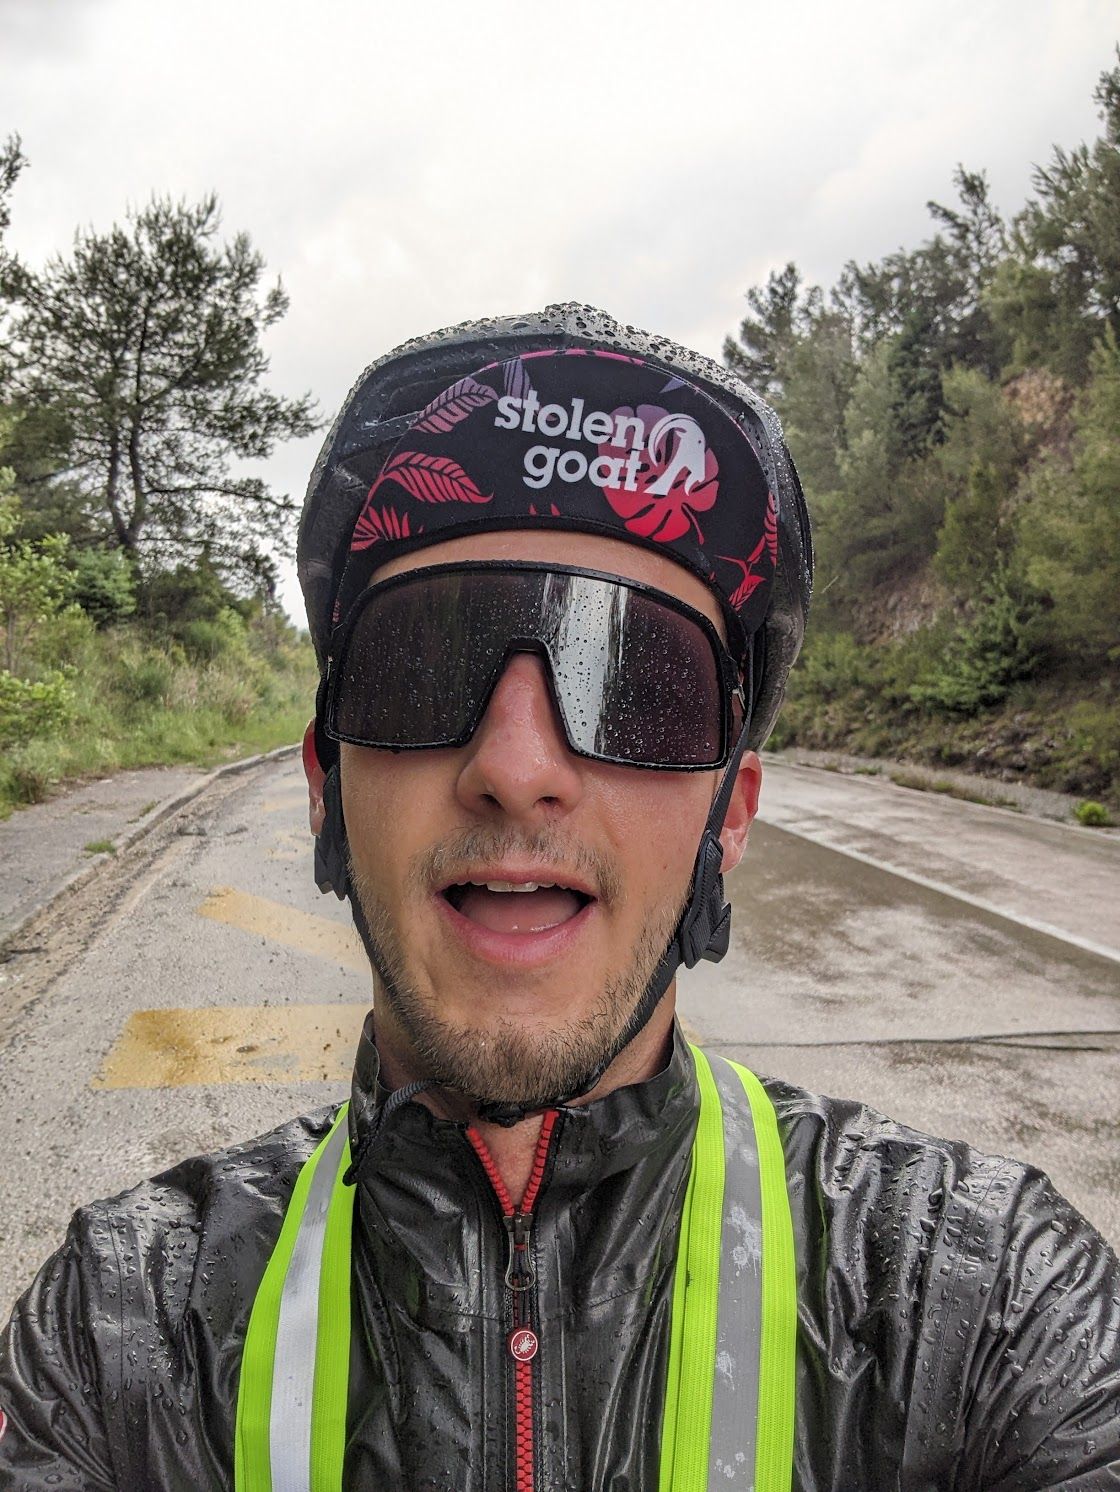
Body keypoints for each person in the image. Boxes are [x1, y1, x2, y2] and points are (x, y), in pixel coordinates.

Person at [1, 304, 1117, 1492]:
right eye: (425, 661)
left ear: (727, 816)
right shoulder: (118, 1338)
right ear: (326, 785)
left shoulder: (981, 1304)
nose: (517, 766)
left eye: (634, 678)